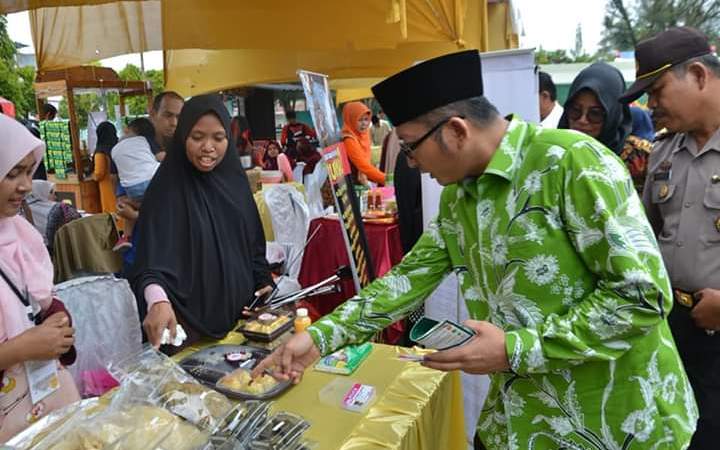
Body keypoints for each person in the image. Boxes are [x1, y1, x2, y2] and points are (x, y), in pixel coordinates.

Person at [254, 50, 697, 449]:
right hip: (520, 418)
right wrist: (318, 338)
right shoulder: (460, 197)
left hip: (612, 422)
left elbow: (642, 296)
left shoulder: (572, 162)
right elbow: (408, 279)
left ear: (456, 130)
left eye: (411, 148)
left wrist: (514, 349)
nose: (412, 164)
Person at [619, 27, 720, 450]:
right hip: (671, 324)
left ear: (698, 75)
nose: (651, 104)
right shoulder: (662, 151)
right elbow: (648, 233)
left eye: (657, 90)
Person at [129, 94, 273, 352]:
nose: (208, 147)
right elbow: (150, 262)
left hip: (241, 326)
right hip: (185, 332)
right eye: (197, 137)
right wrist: (157, 301)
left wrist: (264, 284)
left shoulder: (236, 183)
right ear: (183, 135)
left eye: (218, 138)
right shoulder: (167, 189)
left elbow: (253, 243)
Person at [0, 114, 79, 442]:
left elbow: (37, 297)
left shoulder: (20, 233)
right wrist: (20, 348)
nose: (26, 185)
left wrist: (55, 317)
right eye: (12, 173)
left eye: (28, 171)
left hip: (46, 400)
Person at [557, 62, 651, 194]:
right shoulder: (555, 154)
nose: (582, 121)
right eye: (575, 111)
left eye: (595, 114)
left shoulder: (640, 158)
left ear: (613, 114)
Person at [111, 118, 160, 250]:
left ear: (128, 130)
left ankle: (126, 237)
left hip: (131, 189)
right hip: (152, 181)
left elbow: (114, 178)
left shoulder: (115, 149)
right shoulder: (145, 141)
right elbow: (162, 156)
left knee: (127, 204)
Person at [25, 180, 81, 253]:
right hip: (61, 252)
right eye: (51, 192)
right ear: (42, 193)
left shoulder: (20, 211)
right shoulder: (60, 208)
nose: (55, 196)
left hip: (37, 252)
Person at [341, 102, 385, 185]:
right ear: (351, 120)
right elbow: (363, 166)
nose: (364, 123)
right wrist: (386, 179)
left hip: (363, 180)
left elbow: (367, 161)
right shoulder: (349, 139)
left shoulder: (364, 134)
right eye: (360, 120)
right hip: (352, 185)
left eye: (366, 119)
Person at [91, 122, 119, 214]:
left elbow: (99, 173)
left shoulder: (100, 151)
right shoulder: (118, 147)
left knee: (111, 213)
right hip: (121, 186)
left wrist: (92, 176)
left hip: (108, 187)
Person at [149, 91, 184, 161]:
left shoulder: (185, 146)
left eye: (179, 117)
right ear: (153, 115)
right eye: (168, 115)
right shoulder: (139, 147)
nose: (174, 123)